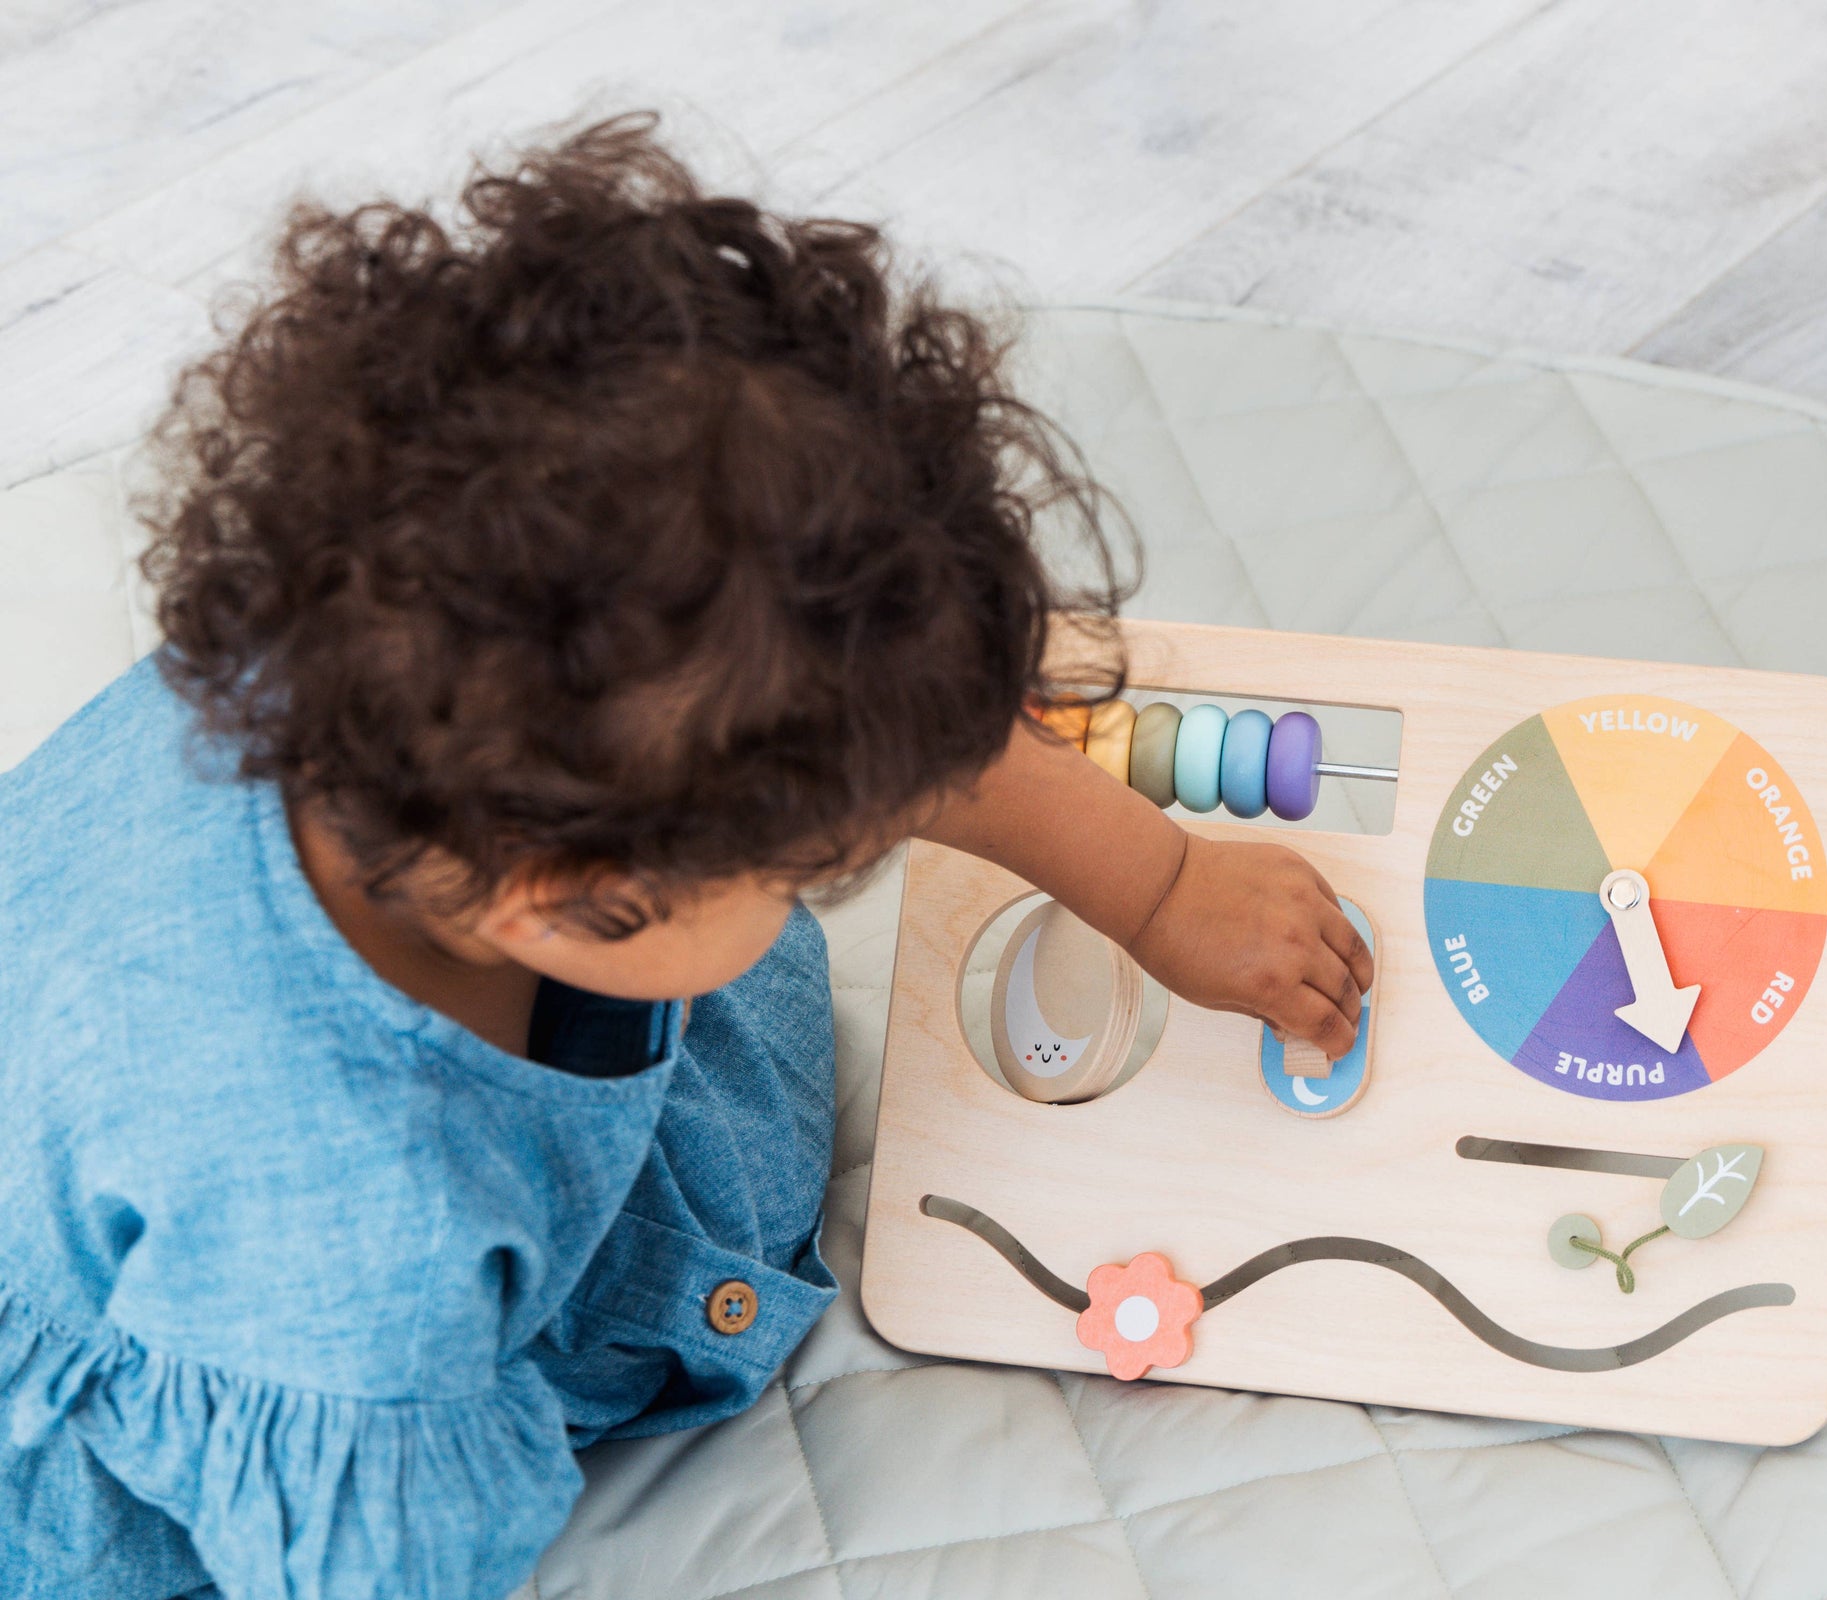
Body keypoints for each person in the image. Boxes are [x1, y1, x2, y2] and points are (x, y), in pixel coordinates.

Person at [0, 114, 1373, 1600]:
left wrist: (1160, 886)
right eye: (804, 866)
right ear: (572, 898)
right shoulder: (364, 1251)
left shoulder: (384, 634)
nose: (847, 863)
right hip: (230, 1369)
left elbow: (866, 713)